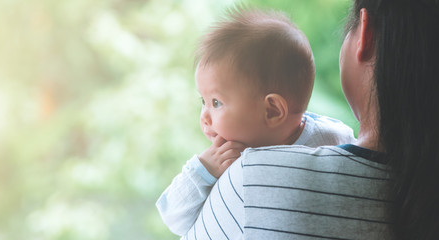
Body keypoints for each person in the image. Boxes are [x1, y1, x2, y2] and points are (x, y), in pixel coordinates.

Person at [181, 0, 439, 239]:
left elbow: (177, 218)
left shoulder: (253, 177)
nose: (204, 116)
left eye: (216, 102)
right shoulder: (422, 195)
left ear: (365, 35)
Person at [155, 9, 356, 236]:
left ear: (272, 111)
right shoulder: (223, 160)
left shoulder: (332, 139)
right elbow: (173, 218)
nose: (204, 115)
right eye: (204, 101)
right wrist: (204, 171)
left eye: (216, 102)